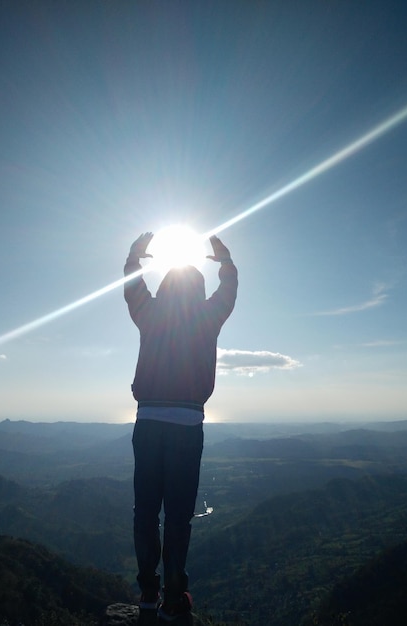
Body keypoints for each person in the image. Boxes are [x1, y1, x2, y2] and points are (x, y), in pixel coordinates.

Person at [124, 232, 238, 622]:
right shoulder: (207, 318)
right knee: (177, 516)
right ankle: (174, 596)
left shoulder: (150, 314)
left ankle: (146, 593)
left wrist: (135, 256)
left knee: (145, 513)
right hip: (188, 425)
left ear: (165, 287)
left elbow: (131, 287)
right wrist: (225, 261)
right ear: (198, 290)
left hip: (148, 421)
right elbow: (229, 291)